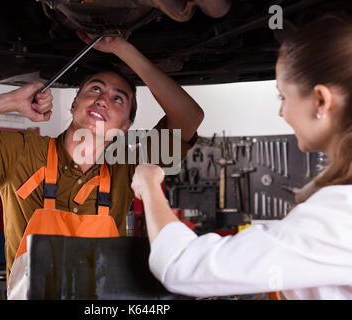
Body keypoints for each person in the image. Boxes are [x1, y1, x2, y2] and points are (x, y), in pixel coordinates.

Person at [0, 33, 204, 297]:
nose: (102, 100)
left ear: (125, 127)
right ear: (74, 104)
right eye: (95, 90)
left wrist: (123, 49)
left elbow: (190, 117)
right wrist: (9, 101)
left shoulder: (127, 166)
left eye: (118, 99)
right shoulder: (22, 153)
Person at [131, 15, 352, 300]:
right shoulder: (336, 207)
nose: (281, 112)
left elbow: (182, 267)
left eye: (282, 96)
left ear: (321, 100)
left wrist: (150, 186)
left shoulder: (339, 216)